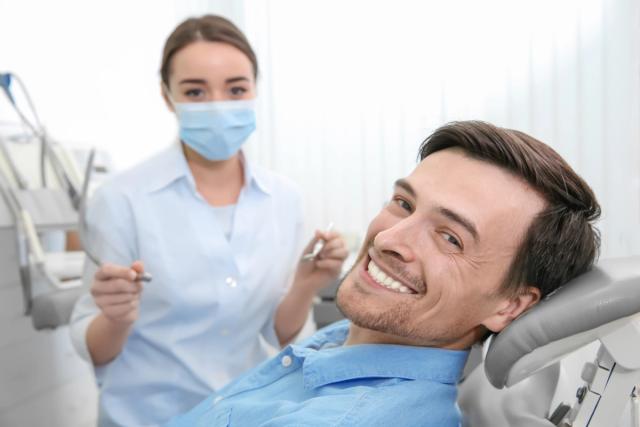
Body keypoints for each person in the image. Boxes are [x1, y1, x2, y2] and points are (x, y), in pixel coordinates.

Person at [167, 120, 601, 426]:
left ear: (511, 305)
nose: (389, 238)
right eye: (404, 204)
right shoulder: (349, 340)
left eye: (451, 238)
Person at [69, 15, 347, 427]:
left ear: (255, 89)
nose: (218, 104)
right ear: (167, 96)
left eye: (236, 89)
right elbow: (95, 348)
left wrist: (306, 284)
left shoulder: (284, 198)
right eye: (195, 91)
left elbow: (278, 333)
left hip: (245, 411)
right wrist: (115, 318)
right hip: (146, 417)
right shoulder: (120, 199)